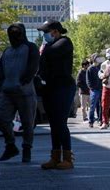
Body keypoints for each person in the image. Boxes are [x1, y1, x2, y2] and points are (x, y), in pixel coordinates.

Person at [37, 20, 76, 170]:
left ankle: (67, 158)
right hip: (51, 88)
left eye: (46, 32)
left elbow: (49, 53)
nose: (44, 36)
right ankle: (55, 157)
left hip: (64, 88)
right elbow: (42, 63)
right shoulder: (48, 46)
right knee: (53, 124)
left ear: (55, 31)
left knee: (60, 122)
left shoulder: (65, 42)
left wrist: (44, 50)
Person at [0, 23, 39, 163]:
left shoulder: (30, 47)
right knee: (1, 118)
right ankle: (11, 146)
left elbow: (34, 66)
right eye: (11, 33)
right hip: (7, 91)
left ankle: (26, 149)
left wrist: (24, 81)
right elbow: (1, 69)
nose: (13, 36)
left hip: (25, 92)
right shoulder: (7, 51)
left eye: (16, 33)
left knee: (27, 123)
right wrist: (2, 85)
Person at [86, 53, 103, 128]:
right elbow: (88, 80)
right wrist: (91, 88)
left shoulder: (100, 67)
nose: (99, 59)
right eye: (97, 58)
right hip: (94, 90)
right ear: (94, 59)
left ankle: (100, 120)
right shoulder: (90, 68)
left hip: (101, 88)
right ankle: (91, 121)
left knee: (101, 106)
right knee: (92, 107)